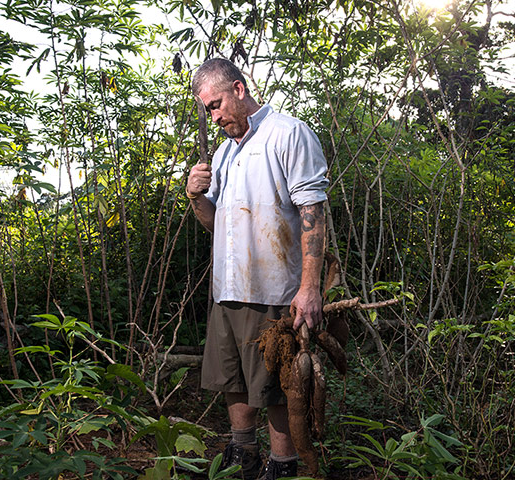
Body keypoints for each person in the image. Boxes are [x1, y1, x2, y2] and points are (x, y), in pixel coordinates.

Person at [186, 58, 328, 480]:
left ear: (239, 89)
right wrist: (195, 196)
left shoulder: (288, 133)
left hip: (273, 289)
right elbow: (218, 224)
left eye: (216, 105)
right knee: (232, 378)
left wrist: (309, 287)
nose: (214, 117)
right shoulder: (226, 151)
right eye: (208, 110)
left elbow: (313, 211)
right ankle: (243, 456)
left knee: (276, 385)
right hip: (228, 287)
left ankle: (282, 465)